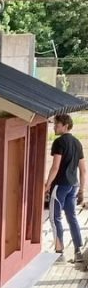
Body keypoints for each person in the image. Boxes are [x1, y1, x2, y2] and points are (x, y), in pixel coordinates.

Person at [44, 113, 86, 264]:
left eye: (57, 124)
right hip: (73, 186)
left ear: (65, 126)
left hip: (60, 185)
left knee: (55, 218)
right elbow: (83, 170)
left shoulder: (59, 142)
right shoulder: (77, 143)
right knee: (72, 217)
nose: (54, 126)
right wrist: (82, 189)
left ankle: (59, 253)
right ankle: (78, 251)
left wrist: (47, 185)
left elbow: (55, 167)